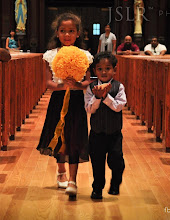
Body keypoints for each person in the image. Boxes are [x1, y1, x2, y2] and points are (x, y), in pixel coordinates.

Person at [36, 12, 93, 197]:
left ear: (78, 34)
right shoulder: (50, 55)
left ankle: (73, 180)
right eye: (63, 31)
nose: (67, 35)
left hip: (76, 101)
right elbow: (49, 84)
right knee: (58, 136)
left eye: (71, 31)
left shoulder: (84, 55)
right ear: (57, 33)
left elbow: (87, 81)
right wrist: (62, 85)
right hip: (58, 101)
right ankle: (61, 171)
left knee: (74, 138)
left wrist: (77, 85)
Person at [84, 52, 126, 200]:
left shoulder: (118, 86)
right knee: (97, 162)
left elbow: (119, 106)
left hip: (114, 133)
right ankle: (97, 188)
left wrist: (106, 97)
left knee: (116, 160)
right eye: (100, 69)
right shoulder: (91, 88)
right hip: (97, 133)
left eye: (108, 68)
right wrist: (97, 97)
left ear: (114, 70)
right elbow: (89, 109)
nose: (103, 72)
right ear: (95, 70)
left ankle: (115, 183)